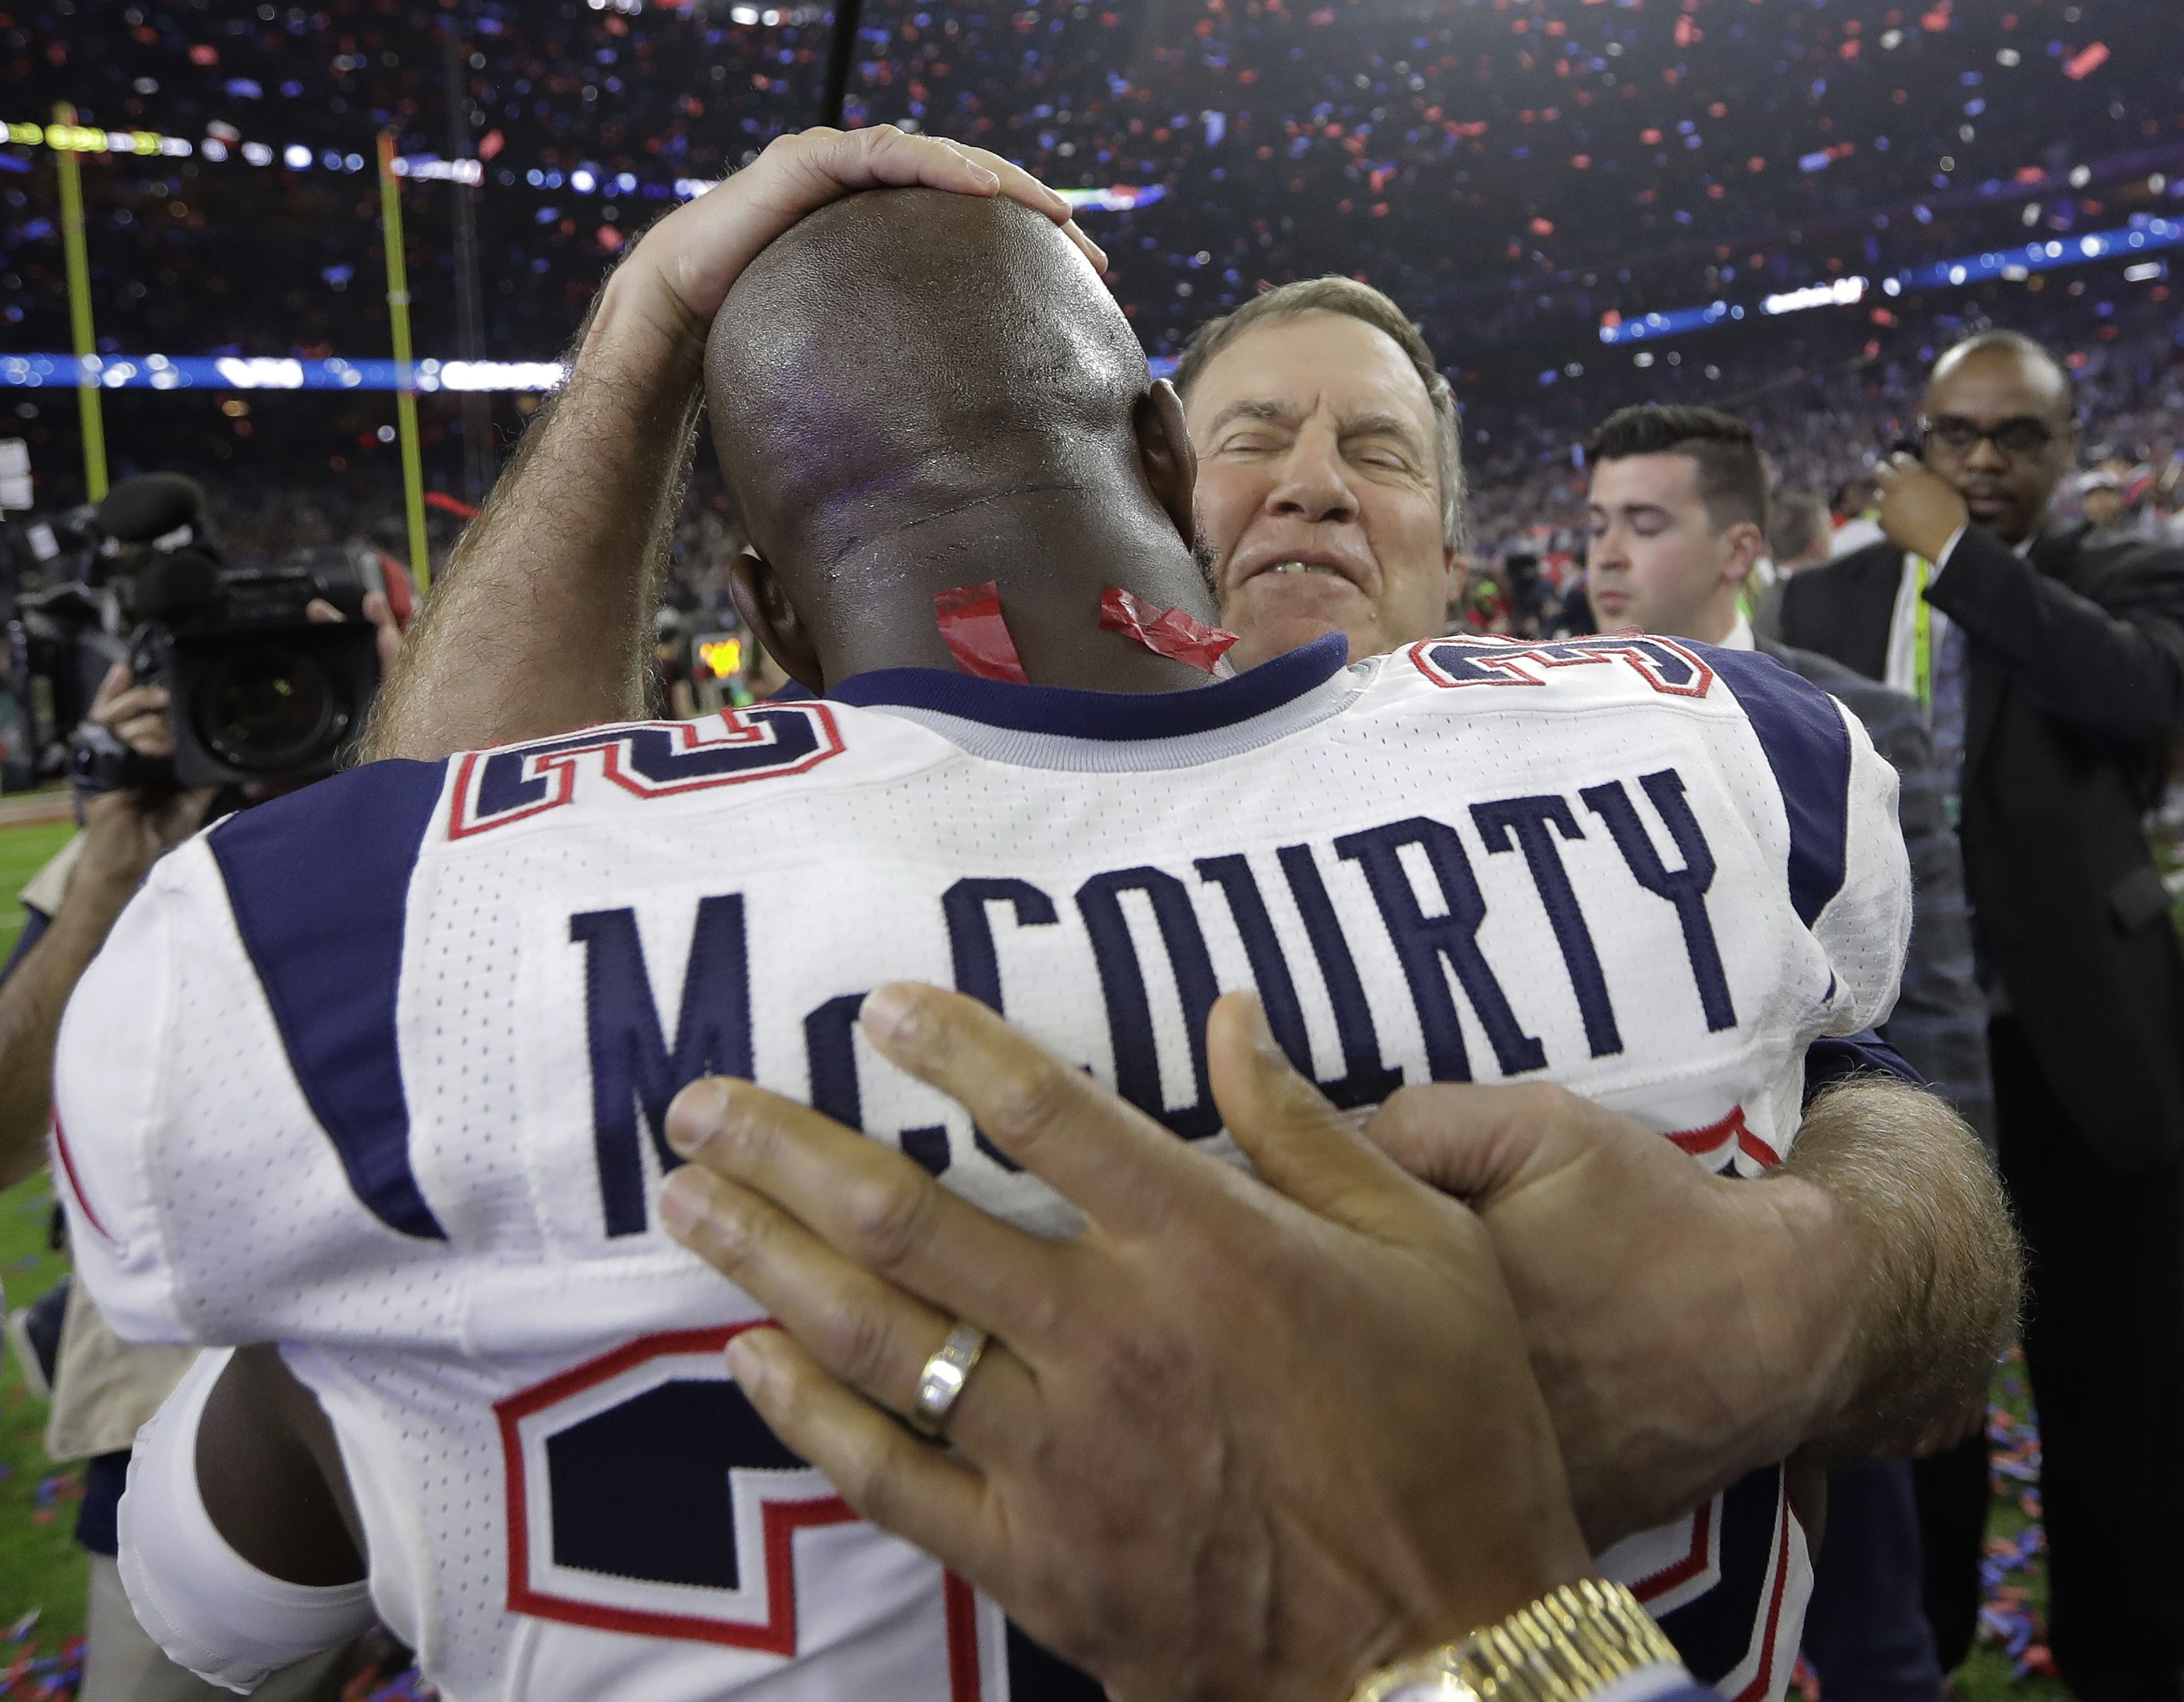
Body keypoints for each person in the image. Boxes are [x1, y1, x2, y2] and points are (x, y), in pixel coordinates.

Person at [61, 151, 2002, 1702]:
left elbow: (214, 1610)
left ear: (768, 598)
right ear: (1169, 464)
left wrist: (642, 336)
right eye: (1263, 440)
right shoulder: (1728, 762)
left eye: (1379, 449)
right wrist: (1520, 1632)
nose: (1316, 485)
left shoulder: (372, 964)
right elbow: (1880, 1126)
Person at [1780, 328, 2184, 1698]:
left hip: (2087, 1065)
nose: (1988, 460)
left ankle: (2128, 1655)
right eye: (1962, 435)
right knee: (1914, 1392)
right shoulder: (1825, 601)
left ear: (2070, 453)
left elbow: (2135, 695)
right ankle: (1923, 1647)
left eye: (2022, 438)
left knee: (2117, 1404)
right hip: (1904, 1067)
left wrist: (1957, 559)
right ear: (1920, 439)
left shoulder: (2125, 575)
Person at [1580, 403, 1995, 1702]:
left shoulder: (1843, 723)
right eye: (1594, 524)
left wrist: (1907, 1274)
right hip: (1601, 1309)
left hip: (1807, 1283)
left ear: (1737, 548)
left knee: (1866, 1639)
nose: (1603, 557)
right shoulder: (1513, 721)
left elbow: (1923, 1029)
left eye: (1642, 524)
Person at [0, 614, 401, 1700]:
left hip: (439, 1382)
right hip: (174, 1415)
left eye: (307, 676)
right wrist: (114, 858)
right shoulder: (122, 859)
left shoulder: (439, 816)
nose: (270, 709)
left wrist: (420, 747)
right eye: (235, 685)